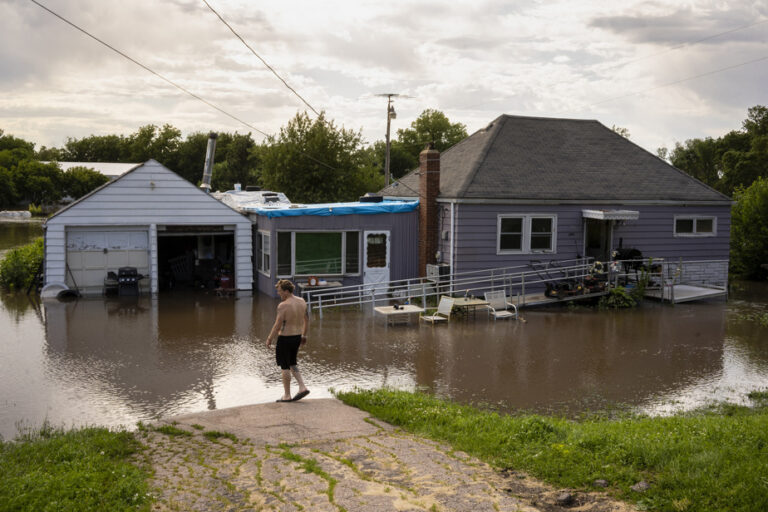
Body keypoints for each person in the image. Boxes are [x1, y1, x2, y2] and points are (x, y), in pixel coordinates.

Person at [266, 279, 310, 402]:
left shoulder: (283, 305)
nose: (279, 294)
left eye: (280, 291)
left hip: (285, 338)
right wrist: (304, 336)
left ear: (286, 291)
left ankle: (287, 395)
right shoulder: (302, 301)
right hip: (297, 337)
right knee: (292, 363)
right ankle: (302, 387)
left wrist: (269, 338)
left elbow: (277, 325)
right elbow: (307, 320)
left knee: (284, 366)